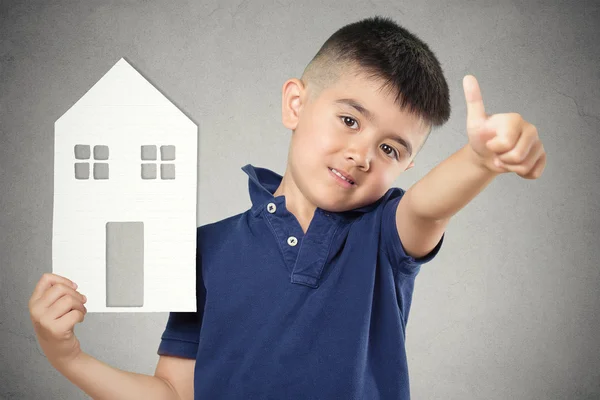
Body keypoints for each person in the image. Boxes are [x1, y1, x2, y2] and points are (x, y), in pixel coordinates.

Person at [28, 15, 546, 400]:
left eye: (391, 149)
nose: (362, 154)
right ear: (296, 104)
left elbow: (429, 207)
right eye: (349, 120)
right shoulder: (207, 249)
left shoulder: (385, 235)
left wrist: (479, 160)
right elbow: (173, 393)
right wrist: (68, 357)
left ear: (405, 167)